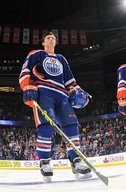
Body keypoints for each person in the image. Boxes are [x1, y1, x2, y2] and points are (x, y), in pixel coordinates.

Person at [19, 31, 92, 181]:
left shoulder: (61, 59)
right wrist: (28, 87)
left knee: (71, 126)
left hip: (62, 96)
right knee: (46, 125)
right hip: (44, 94)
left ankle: (76, 161)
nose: (51, 40)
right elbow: (25, 72)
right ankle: (45, 162)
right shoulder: (37, 54)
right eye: (48, 38)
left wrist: (77, 91)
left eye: (53, 38)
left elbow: (70, 81)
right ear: (43, 43)